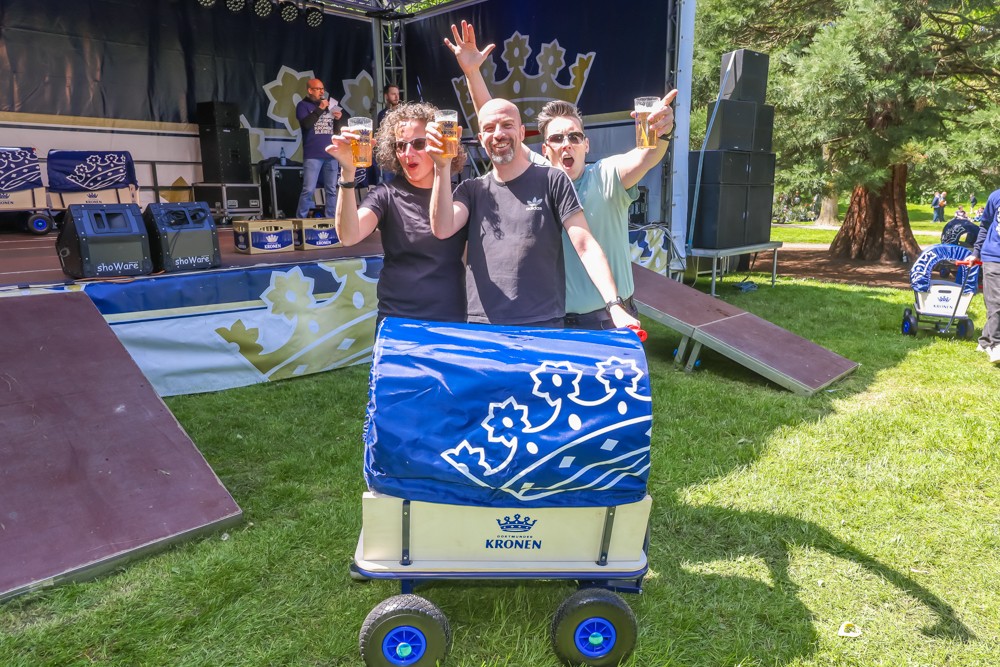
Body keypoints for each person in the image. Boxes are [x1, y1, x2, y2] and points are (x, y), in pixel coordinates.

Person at [445, 20, 675, 329]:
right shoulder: (542, 176)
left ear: (586, 144)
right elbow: (497, 122)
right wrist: (473, 72)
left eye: (574, 137)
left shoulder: (607, 175)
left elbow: (647, 156)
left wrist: (662, 132)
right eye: (557, 138)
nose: (566, 144)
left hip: (610, 317)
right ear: (544, 147)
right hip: (556, 321)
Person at [426, 97, 639, 330]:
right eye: (488, 128)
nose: (498, 134)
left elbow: (586, 246)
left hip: (543, 324)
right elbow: (443, 228)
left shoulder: (552, 179)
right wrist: (441, 166)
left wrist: (614, 305)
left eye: (506, 125)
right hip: (484, 324)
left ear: (521, 132)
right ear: (480, 139)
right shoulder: (471, 189)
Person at [326, 102, 468, 324]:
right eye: (400, 146)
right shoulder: (386, 194)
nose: (407, 153)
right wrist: (347, 172)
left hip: (449, 318)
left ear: (438, 143)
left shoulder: (461, 195)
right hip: (398, 320)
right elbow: (349, 236)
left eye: (419, 144)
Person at [296, 78, 345, 218]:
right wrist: (320, 109)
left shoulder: (330, 105)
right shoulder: (302, 105)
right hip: (313, 154)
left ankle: (332, 220)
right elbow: (306, 124)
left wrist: (337, 119)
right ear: (310, 90)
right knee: (309, 189)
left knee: (331, 190)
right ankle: (301, 220)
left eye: (323, 88)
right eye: (318, 89)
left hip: (331, 154)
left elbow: (335, 132)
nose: (322, 91)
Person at [968, 188, 1000, 362]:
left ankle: (985, 340)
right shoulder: (996, 196)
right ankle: (996, 345)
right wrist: (976, 252)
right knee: (996, 301)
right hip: (994, 257)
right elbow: (985, 225)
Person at [371, 84, 402, 186]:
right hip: (389, 156)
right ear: (386, 96)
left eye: (398, 94)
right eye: (393, 94)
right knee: (389, 184)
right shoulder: (382, 114)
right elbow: (382, 135)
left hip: (402, 153)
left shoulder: (403, 113)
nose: (396, 97)